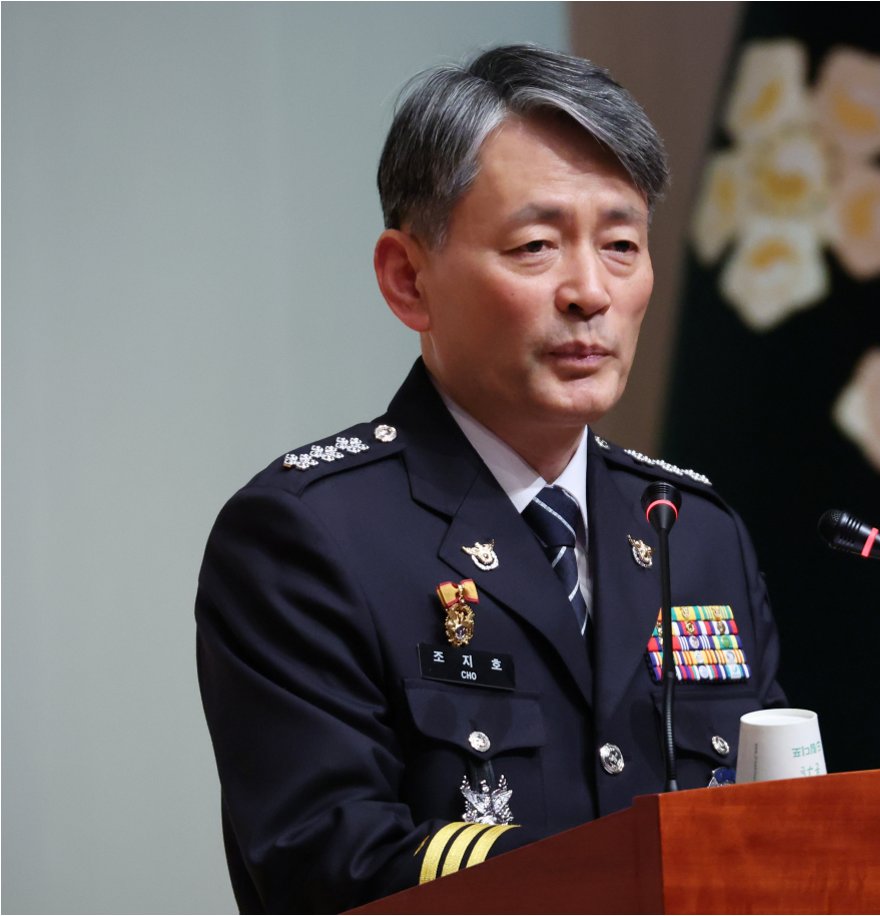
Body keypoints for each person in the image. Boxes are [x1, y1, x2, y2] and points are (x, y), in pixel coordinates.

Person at [196, 44, 787, 913]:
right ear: (409, 280)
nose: (590, 291)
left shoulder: (693, 531)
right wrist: (627, 876)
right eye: (536, 246)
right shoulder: (309, 537)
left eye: (622, 245)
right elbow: (331, 865)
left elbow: (778, 827)